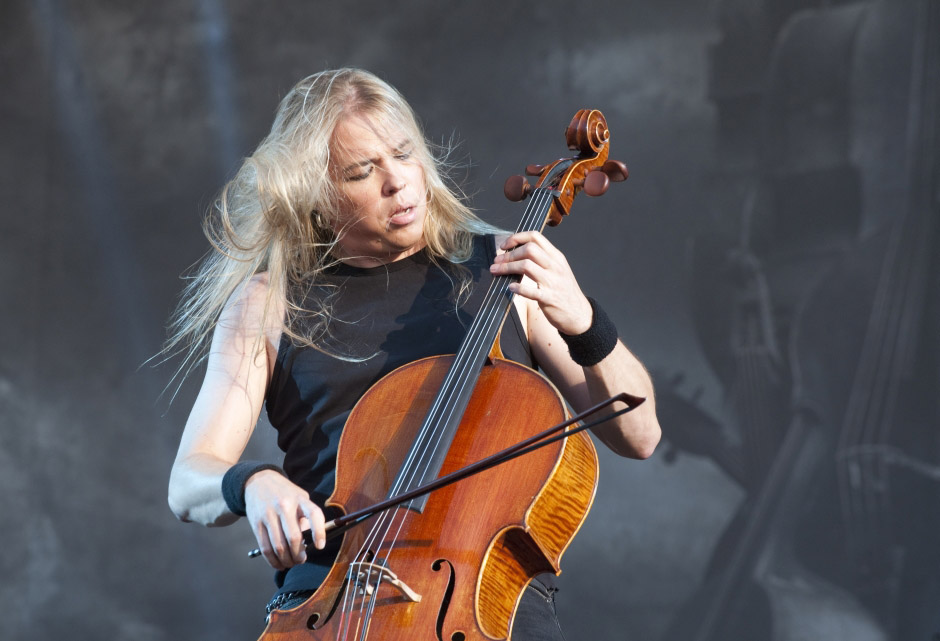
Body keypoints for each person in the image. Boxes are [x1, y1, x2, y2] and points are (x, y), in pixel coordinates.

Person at [166, 67, 660, 639]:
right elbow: (188, 482)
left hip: (479, 607)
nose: (398, 182)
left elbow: (640, 432)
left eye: (403, 154)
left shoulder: (505, 265)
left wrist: (584, 320)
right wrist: (251, 483)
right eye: (360, 172)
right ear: (315, 195)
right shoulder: (269, 302)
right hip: (333, 602)